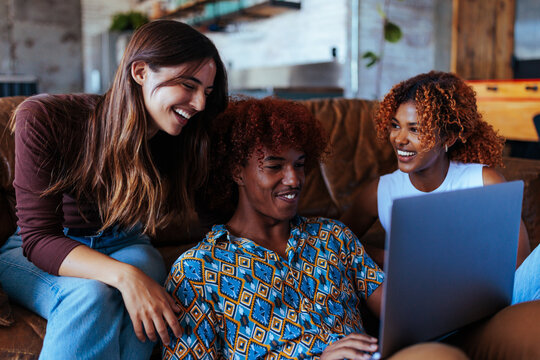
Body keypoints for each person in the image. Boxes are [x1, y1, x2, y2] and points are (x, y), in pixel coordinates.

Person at [162, 97, 468, 359]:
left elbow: (405, 315)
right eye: (274, 166)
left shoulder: (334, 236)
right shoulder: (198, 271)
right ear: (236, 171)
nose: (294, 179)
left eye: (299, 164)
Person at [0, 20, 227, 360]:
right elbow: (38, 239)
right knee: (91, 295)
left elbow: (219, 218)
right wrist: (125, 276)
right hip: (37, 248)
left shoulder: (185, 137)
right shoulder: (45, 116)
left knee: (153, 277)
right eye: (187, 85)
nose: (199, 104)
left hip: (125, 242)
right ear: (140, 72)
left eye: (206, 92)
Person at [340, 70, 539, 304]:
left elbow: (519, 268)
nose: (400, 139)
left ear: (448, 139)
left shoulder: (484, 181)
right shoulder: (381, 192)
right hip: (428, 306)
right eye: (396, 125)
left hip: (489, 302)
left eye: (415, 129)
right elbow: (335, 240)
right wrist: (387, 257)